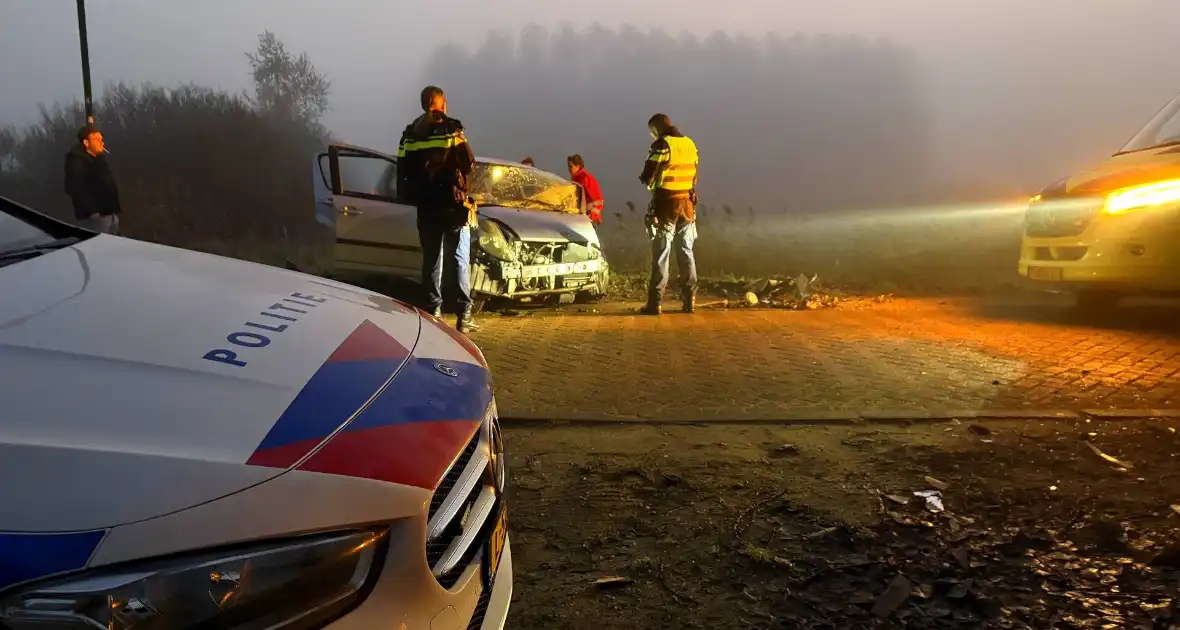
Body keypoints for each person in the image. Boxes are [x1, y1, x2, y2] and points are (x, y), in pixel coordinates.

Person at [397, 86, 479, 333]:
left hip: (426, 206)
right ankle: (464, 316)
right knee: (460, 260)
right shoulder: (452, 128)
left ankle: (433, 312)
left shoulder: (410, 134)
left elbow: (402, 169)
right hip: (452, 205)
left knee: (432, 260)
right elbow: (469, 163)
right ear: (441, 104)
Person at [638, 113, 699, 315]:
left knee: (662, 253)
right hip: (688, 206)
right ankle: (689, 302)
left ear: (655, 129)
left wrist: (651, 183)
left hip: (666, 206)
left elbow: (648, 176)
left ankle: (655, 304)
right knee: (686, 252)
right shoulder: (690, 144)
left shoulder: (661, 145)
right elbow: (694, 177)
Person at [64, 123, 122, 234]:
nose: (101, 142)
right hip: (97, 217)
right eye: (96, 139)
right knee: (100, 246)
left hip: (110, 213)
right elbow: (76, 189)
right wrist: (92, 212)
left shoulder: (98, 158)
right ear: (86, 142)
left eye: (101, 139)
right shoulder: (77, 162)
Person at [567, 154, 604, 226]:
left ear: (578, 166)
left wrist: (592, 216)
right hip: (581, 218)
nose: (569, 169)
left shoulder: (586, 178)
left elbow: (597, 201)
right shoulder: (576, 179)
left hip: (590, 219)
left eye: (571, 166)